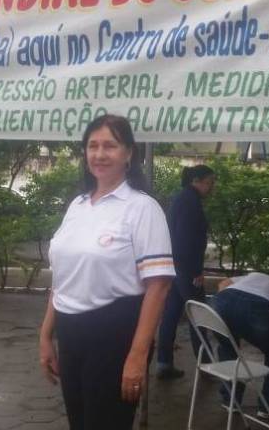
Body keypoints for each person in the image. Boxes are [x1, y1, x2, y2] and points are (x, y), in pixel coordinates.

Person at [39, 115, 174, 430]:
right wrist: (45, 335)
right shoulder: (78, 206)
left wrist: (137, 356)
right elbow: (62, 279)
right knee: (80, 423)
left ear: (129, 153)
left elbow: (159, 286)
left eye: (110, 146)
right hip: (70, 333)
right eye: (93, 146)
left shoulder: (142, 208)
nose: (99, 154)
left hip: (114, 336)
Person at [211, 272, 269, 421]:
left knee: (227, 346)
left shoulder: (256, 276)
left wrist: (230, 311)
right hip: (257, 309)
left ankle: (230, 399)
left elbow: (223, 284)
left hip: (220, 303)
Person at [156, 164, 216, 379]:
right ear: (196, 181)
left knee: (171, 313)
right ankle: (207, 365)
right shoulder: (190, 202)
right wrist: (195, 271)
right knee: (198, 315)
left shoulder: (182, 199)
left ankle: (164, 362)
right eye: (209, 182)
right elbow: (186, 240)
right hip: (186, 269)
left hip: (174, 266)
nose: (212, 187)